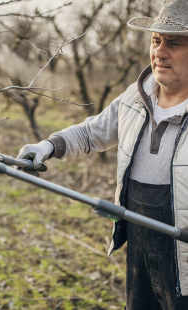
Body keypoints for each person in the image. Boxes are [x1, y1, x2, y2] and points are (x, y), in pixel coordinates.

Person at [17, 0, 188, 309]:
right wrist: (46, 147)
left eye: (173, 43)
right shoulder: (135, 99)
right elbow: (90, 132)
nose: (159, 52)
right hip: (139, 249)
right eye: (155, 40)